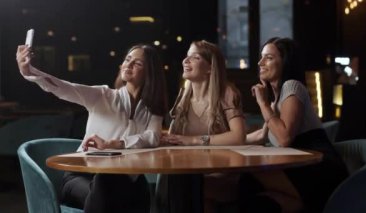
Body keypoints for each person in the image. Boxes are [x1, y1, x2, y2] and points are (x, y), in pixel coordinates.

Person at [16, 44, 167, 213]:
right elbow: (65, 88)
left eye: (137, 63)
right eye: (127, 59)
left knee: (137, 187)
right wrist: (29, 72)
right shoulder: (103, 95)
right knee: (107, 186)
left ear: (150, 72)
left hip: (122, 179)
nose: (128, 65)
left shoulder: (152, 109)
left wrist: (113, 143)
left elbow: (152, 137)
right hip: (81, 176)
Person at [243, 37, 348, 212]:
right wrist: (231, 140)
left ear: (285, 62)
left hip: (319, 168)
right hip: (299, 167)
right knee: (253, 192)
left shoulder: (292, 86)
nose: (260, 62)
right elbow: (262, 136)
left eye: (268, 57)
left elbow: (284, 138)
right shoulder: (276, 100)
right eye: (261, 57)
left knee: (250, 176)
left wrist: (262, 104)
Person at [158, 40, 246, 213]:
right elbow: (172, 140)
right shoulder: (183, 97)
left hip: (222, 174)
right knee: (173, 178)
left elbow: (238, 136)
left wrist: (193, 141)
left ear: (210, 68)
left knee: (183, 183)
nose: (186, 61)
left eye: (195, 57)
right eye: (187, 56)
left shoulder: (226, 92)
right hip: (190, 173)